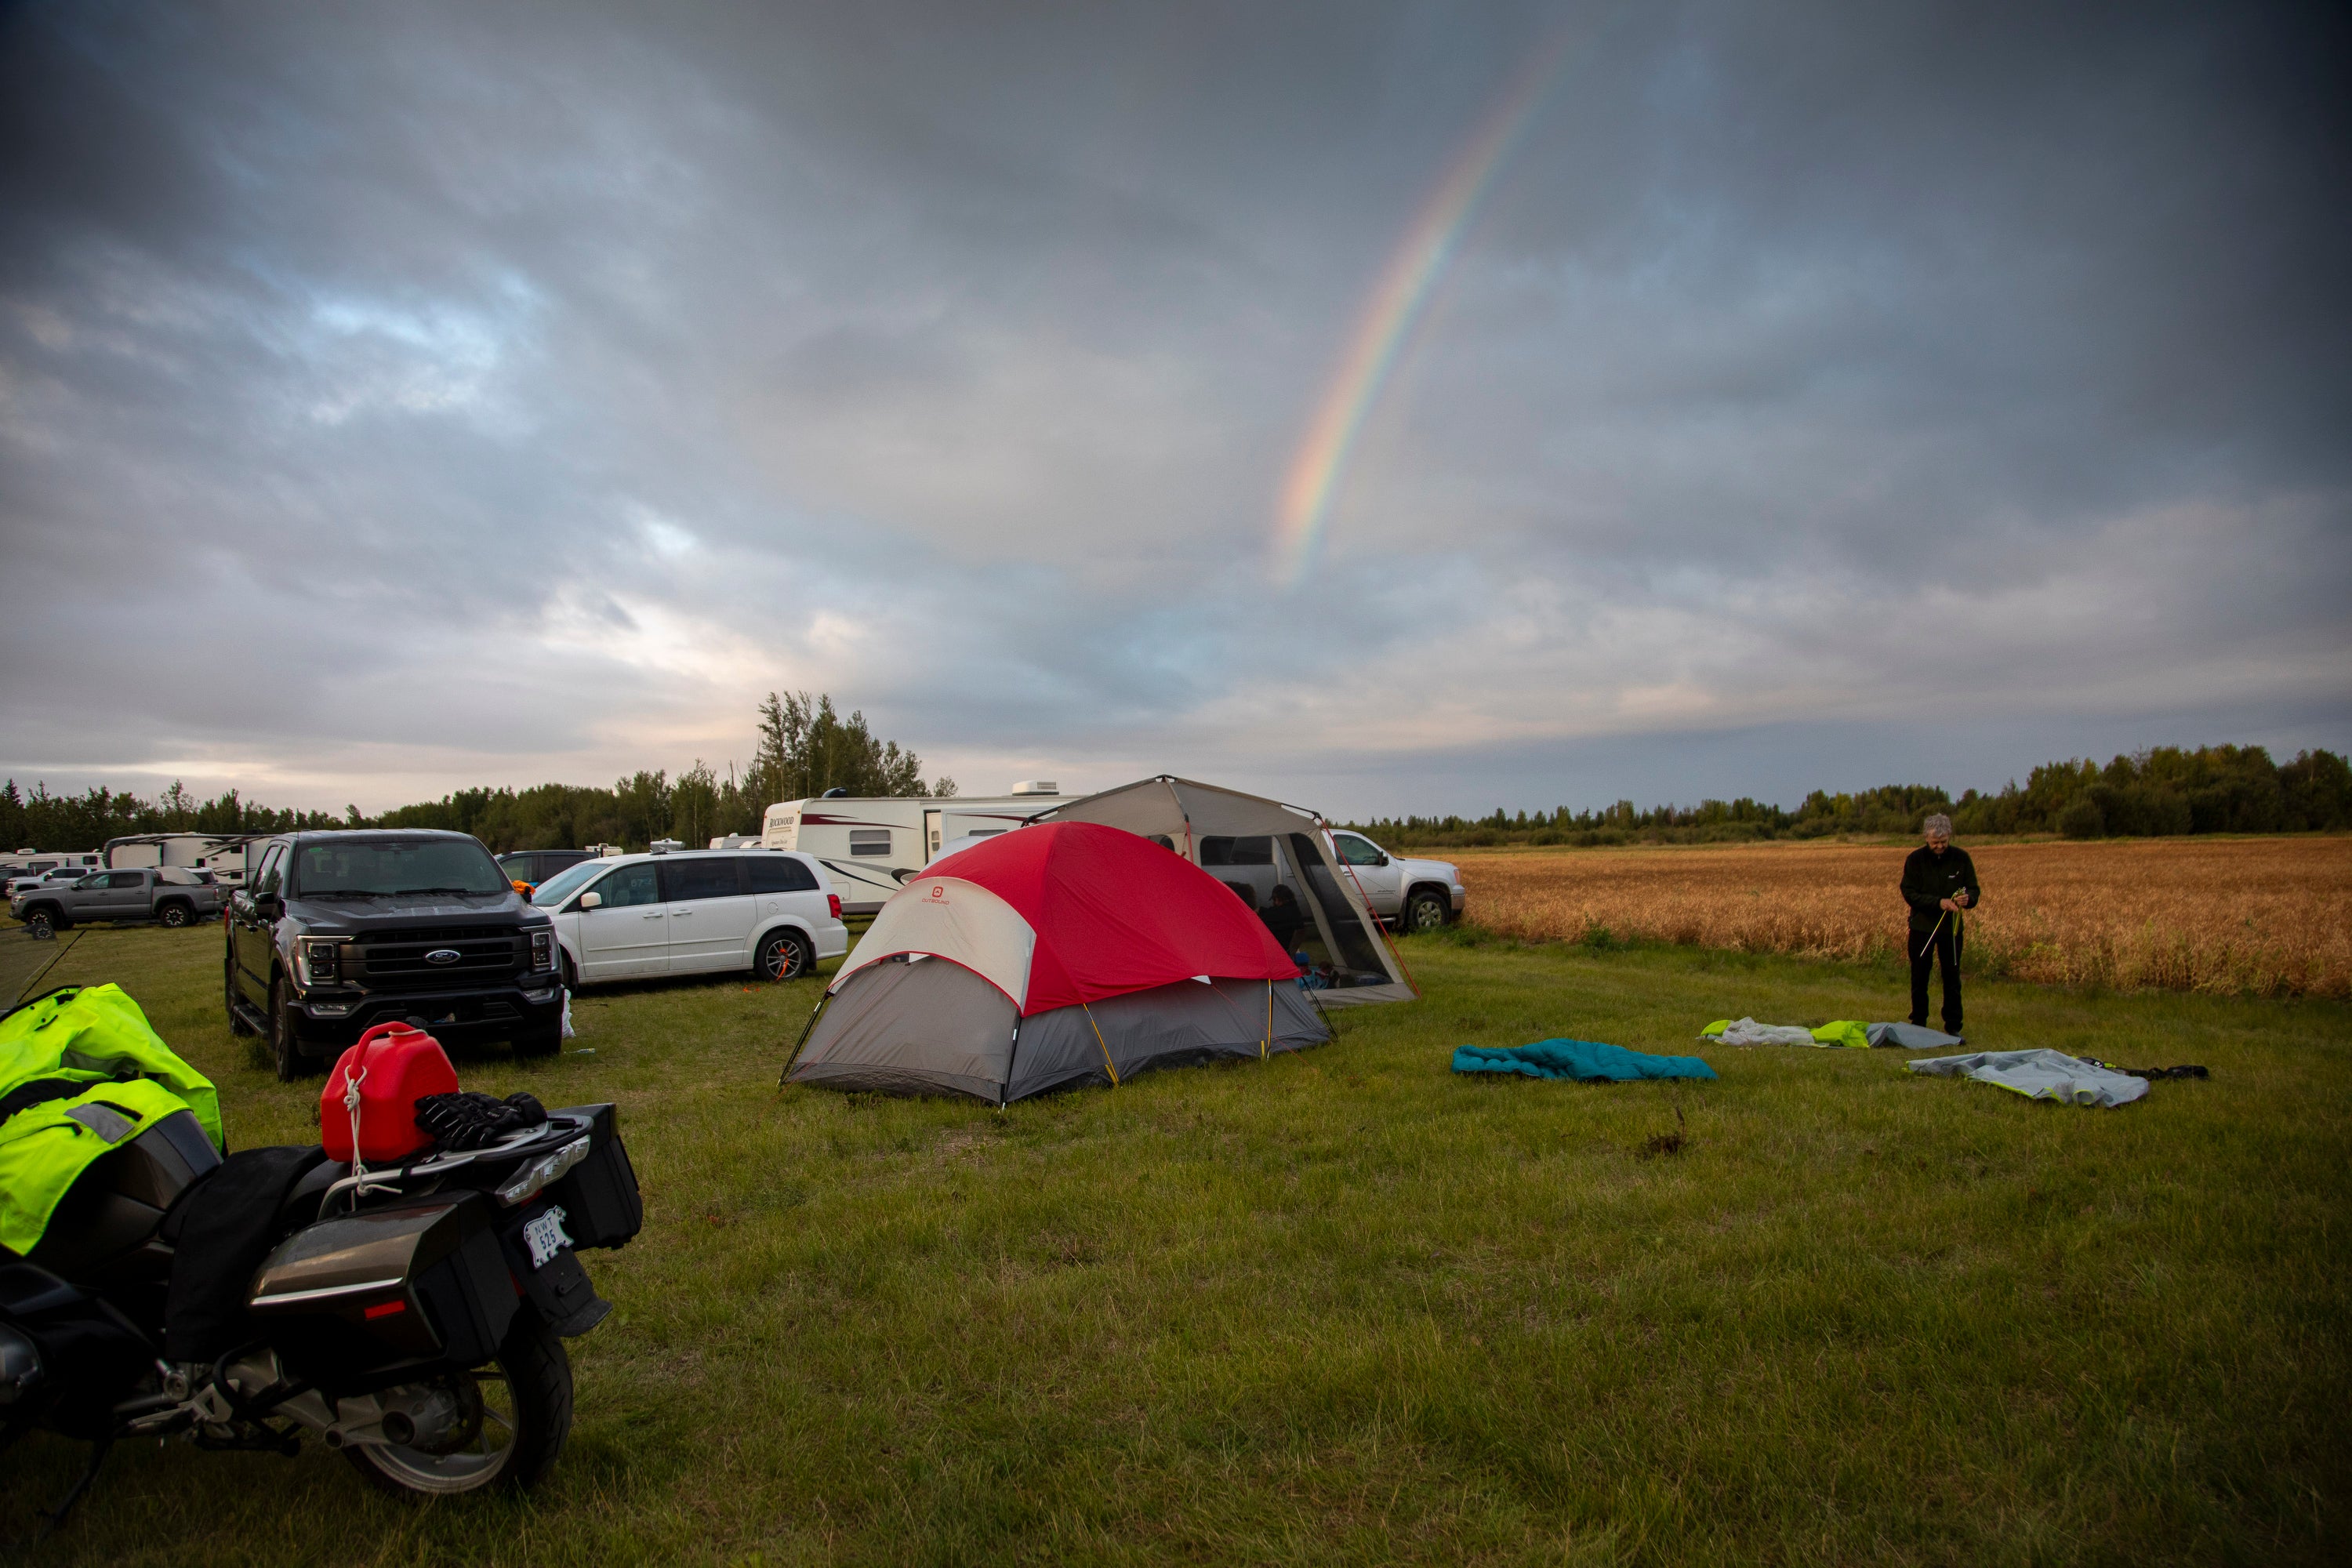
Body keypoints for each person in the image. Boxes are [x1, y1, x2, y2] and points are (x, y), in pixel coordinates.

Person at [1900, 814, 1980, 1034]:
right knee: (1919, 977)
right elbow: (1909, 893)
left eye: (1944, 842)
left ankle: (1953, 1026)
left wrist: (1968, 899)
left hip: (1951, 930)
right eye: (1935, 843)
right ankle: (1918, 1024)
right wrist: (1938, 903)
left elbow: (1974, 889)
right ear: (1926, 838)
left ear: (1949, 837)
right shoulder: (1915, 860)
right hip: (1921, 927)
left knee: (1952, 978)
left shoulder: (1961, 858)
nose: (1940, 847)